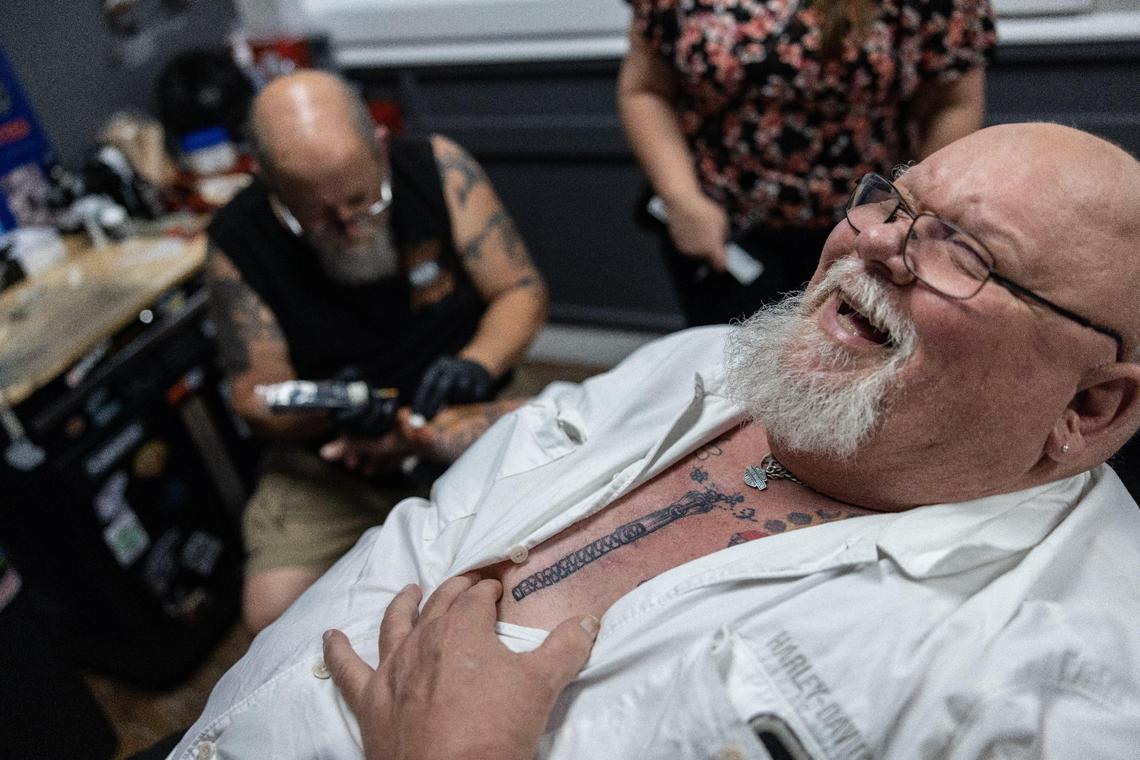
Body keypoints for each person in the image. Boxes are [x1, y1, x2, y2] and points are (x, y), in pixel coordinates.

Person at [172, 123, 1140, 758]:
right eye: (897, 200)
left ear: (1089, 407)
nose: (878, 242)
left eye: (968, 253)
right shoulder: (706, 356)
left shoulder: (1062, 690)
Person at [205, 70, 548, 632]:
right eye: (317, 216)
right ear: (268, 184)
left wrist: (477, 363)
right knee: (272, 614)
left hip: (464, 411)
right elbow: (254, 395)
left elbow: (520, 289)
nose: (348, 228)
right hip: (334, 458)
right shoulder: (236, 240)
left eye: (361, 201)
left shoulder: (438, 168)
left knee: (532, 561)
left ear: (380, 148)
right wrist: (327, 407)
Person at [618, 0, 997, 325]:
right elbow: (645, 89)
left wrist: (914, 220)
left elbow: (953, 103)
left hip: (863, 230)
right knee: (725, 368)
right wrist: (681, 199)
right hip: (722, 234)